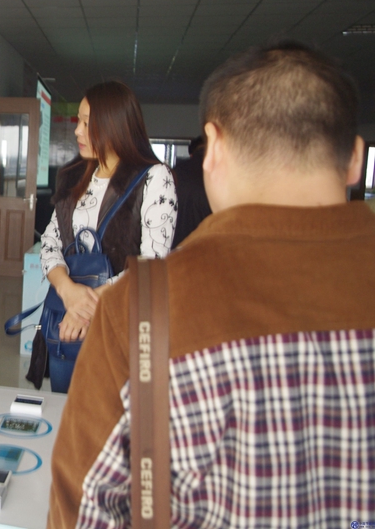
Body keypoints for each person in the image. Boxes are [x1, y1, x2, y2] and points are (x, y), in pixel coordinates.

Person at [47, 42, 375, 528]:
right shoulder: (78, 181)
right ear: (355, 159)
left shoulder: (147, 305)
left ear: (213, 147)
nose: (79, 130)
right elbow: (52, 240)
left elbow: (86, 504)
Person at [39, 80, 177, 392]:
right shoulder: (74, 175)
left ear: (115, 125)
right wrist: (68, 292)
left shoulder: (155, 178)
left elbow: (153, 265)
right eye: (78, 121)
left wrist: (87, 306)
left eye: (87, 123)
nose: (77, 131)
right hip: (67, 322)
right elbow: (50, 242)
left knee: (112, 411)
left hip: (121, 325)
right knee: (66, 407)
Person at [171, 134, 212, 248]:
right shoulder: (216, 174)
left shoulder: (175, 172)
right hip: (205, 247)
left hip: (173, 248)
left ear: (191, 154)